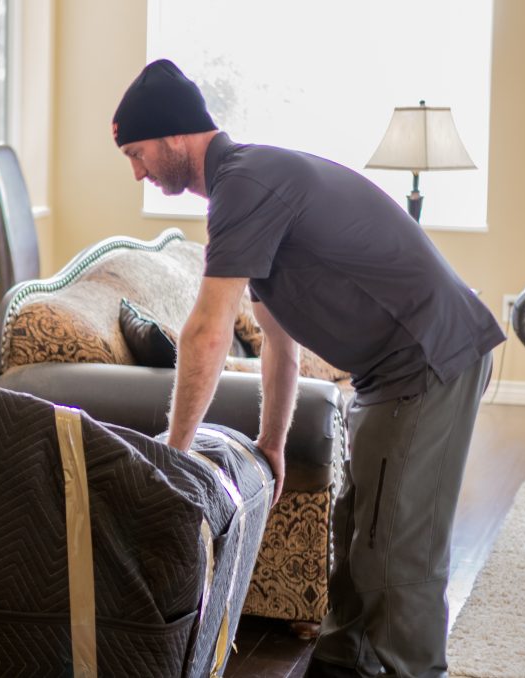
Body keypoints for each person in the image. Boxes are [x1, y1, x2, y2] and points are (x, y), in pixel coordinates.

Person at [112, 59, 503, 678]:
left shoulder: (246, 183)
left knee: (397, 556)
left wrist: (176, 458)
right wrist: (271, 440)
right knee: (358, 535)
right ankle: (341, 663)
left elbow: (207, 331)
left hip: (428, 358)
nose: (136, 170)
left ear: (173, 135)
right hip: (387, 373)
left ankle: (412, 668)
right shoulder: (247, 187)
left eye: (137, 152)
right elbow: (277, 343)